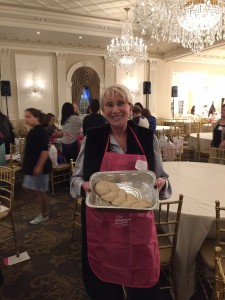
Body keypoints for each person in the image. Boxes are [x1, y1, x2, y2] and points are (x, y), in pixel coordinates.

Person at [70, 84, 171, 300]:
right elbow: (76, 179)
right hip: (102, 227)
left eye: (120, 103)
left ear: (130, 106)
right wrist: (85, 186)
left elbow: (163, 177)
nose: (115, 110)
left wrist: (161, 182)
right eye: (109, 105)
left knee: (142, 286)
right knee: (106, 288)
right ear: (103, 110)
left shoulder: (147, 138)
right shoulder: (93, 138)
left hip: (138, 227)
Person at [22, 108, 52, 224]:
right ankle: (43, 204)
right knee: (28, 187)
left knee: (40, 191)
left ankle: (44, 214)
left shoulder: (40, 131)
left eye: (29, 116)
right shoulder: (34, 130)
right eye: (25, 116)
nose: (26, 119)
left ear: (37, 118)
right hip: (33, 166)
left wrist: (39, 166)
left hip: (40, 167)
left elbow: (45, 151)